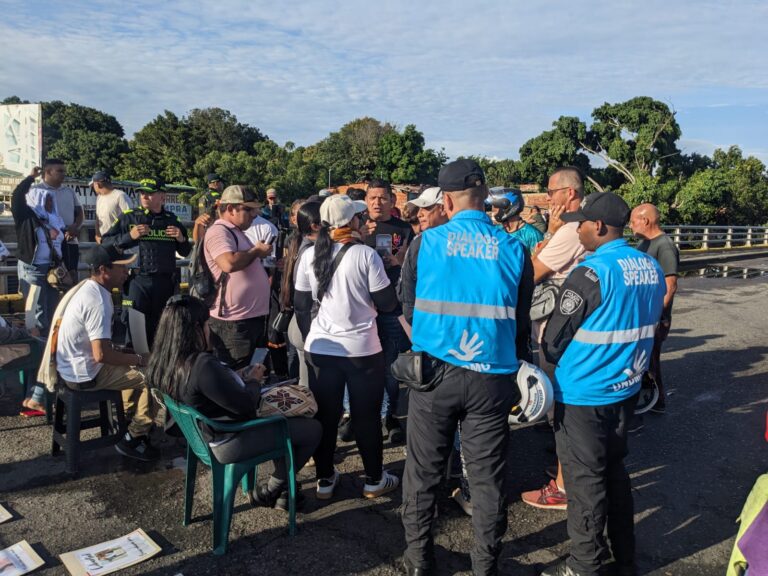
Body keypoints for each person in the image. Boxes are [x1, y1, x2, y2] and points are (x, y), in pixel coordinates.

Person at [399, 159, 534, 576]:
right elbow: (521, 318)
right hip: (492, 376)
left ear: (447, 199)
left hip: (434, 375)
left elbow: (406, 306)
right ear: (484, 196)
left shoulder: (426, 243)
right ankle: (485, 566)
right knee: (487, 478)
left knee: (423, 472)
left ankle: (419, 559)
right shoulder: (514, 247)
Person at [540, 192, 665, 576]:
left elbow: (554, 339)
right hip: (624, 390)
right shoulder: (649, 266)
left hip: (582, 394)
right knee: (614, 473)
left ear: (598, 226)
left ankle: (583, 566)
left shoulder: (591, 273)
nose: (576, 229)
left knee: (584, 485)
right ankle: (623, 556)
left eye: (581, 223)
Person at [147, 295, 321, 510]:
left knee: (286, 420)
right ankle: (272, 489)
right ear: (195, 329)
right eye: (207, 325)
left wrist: (234, 376)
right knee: (311, 428)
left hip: (203, 436)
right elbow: (246, 406)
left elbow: (205, 391)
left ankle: (282, 489)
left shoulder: (167, 362)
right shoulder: (201, 364)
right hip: (228, 440)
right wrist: (254, 381)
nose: (211, 330)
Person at [294, 194, 400, 501]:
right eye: (357, 216)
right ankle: (374, 480)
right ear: (351, 221)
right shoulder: (366, 256)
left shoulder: (310, 255)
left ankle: (325, 480)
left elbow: (301, 305)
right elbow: (388, 304)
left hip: (321, 348)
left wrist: (313, 334)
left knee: (326, 417)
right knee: (365, 417)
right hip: (362, 350)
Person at [522, 167, 588, 512]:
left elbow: (530, 272)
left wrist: (549, 233)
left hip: (558, 332)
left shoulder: (571, 230)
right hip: (568, 330)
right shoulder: (582, 227)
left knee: (562, 409)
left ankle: (563, 485)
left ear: (570, 194)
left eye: (550, 192)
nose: (547, 198)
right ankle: (569, 471)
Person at [56, 245, 159, 461]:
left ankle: (132, 418)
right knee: (153, 377)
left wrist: (125, 352)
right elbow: (101, 355)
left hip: (71, 368)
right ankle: (134, 436)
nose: (126, 272)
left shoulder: (88, 289)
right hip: (85, 374)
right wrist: (139, 358)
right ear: (104, 270)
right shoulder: (99, 301)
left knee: (136, 365)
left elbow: (97, 346)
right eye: (121, 268)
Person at [102, 177, 191, 347]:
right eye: (142, 193)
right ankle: (134, 367)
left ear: (162, 197)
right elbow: (105, 243)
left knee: (164, 328)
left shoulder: (171, 219)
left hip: (165, 282)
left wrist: (181, 238)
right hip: (137, 281)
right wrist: (130, 236)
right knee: (134, 328)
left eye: (150, 193)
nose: (144, 196)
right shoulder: (129, 217)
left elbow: (185, 252)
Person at [361, 179, 414, 444]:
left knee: (390, 366)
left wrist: (401, 261)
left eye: (382, 198)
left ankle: (390, 416)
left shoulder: (405, 229)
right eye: (372, 197)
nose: (377, 203)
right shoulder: (356, 225)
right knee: (361, 366)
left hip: (391, 306)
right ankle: (355, 415)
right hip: (360, 308)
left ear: (393, 201)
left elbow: (415, 267)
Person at [203, 185, 273, 369]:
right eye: (248, 209)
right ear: (230, 208)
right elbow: (228, 263)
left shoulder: (234, 231)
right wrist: (257, 251)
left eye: (255, 209)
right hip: (234, 322)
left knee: (251, 374)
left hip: (246, 319)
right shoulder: (219, 231)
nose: (254, 214)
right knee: (236, 376)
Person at [629, 203, 679, 413]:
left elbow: (670, 286)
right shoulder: (644, 243)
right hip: (642, 314)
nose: (630, 226)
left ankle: (657, 402)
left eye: (633, 222)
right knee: (643, 358)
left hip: (654, 316)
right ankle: (644, 398)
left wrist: (656, 316)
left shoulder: (664, 245)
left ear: (646, 221)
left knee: (650, 361)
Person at [10, 167, 60, 333]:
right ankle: (40, 350)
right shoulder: (25, 216)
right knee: (37, 313)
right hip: (32, 269)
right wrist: (31, 177)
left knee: (51, 308)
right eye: (47, 199)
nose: (50, 203)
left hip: (50, 269)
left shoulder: (51, 219)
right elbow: (17, 197)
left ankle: (49, 346)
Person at [281, 201, 321, 386]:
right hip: (307, 323)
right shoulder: (312, 252)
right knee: (309, 386)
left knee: (307, 382)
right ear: (315, 225)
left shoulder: (299, 243)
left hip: (298, 322)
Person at [28, 159, 83, 283]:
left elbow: (79, 213)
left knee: (70, 277)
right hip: (46, 241)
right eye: (59, 171)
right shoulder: (34, 191)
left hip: (69, 239)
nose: (64, 174)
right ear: (48, 172)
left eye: (64, 171)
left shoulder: (69, 191)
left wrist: (75, 226)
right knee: (48, 279)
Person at [488, 187, 543, 253]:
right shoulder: (495, 231)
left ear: (506, 206)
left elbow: (538, 261)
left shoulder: (532, 234)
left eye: (496, 206)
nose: (493, 209)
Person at [91, 171, 133, 244]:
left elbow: (130, 218)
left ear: (97, 185)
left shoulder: (120, 196)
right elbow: (98, 219)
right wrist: (97, 235)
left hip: (118, 240)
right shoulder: (99, 198)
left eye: (93, 185)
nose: (93, 188)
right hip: (104, 240)